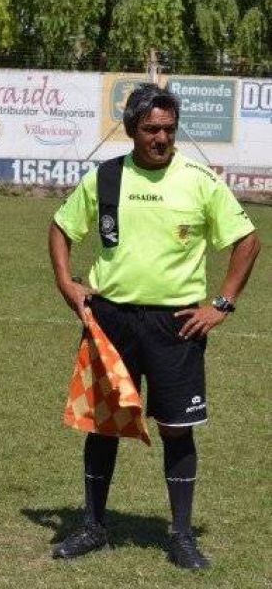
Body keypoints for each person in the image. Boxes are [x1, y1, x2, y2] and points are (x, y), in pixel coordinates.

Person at [47, 83, 260, 570]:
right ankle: (93, 526)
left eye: (168, 129)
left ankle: (181, 536)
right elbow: (61, 228)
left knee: (177, 429)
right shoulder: (104, 178)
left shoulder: (200, 180)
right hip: (110, 320)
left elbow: (247, 240)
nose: (161, 138)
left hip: (177, 324)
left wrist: (221, 304)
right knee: (103, 426)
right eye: (151, 129)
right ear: (131, 130)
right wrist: (67, 283)